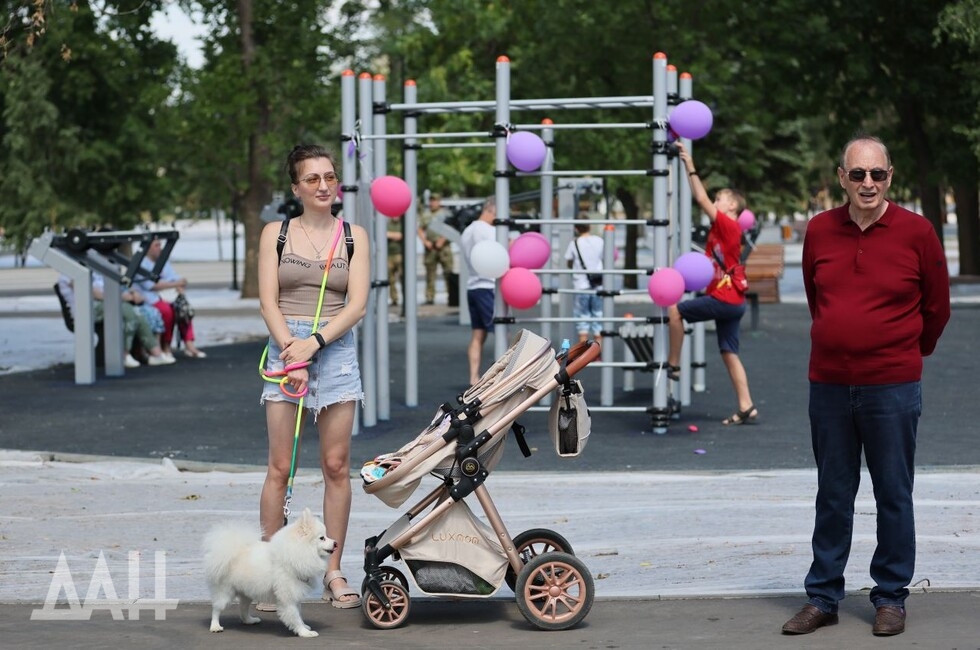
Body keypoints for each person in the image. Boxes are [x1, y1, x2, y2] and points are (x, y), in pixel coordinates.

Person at [781, 134, 951, 637]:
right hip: (829, 384)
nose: (868, 183)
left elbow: (937, 308)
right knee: (833, 493)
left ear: (890, 176)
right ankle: (823, 596)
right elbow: (818, 297)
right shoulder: (819, 230)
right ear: (842, 178)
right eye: (858, 174)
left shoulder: (918, 232)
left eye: (877, 174)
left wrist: (902, 353)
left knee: (894, 493)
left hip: (893, 385)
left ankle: (891, 596)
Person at [257, 143, 369, 610]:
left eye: (329, 177)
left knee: (336, 466)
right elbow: (268, 301)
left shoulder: (354, 236)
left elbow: (357, 305)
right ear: (296, 187)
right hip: (286, 348)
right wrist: (293, 351)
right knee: (281, 467)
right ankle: (269, 573)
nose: (324, 186)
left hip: (335, 350)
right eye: (313, 179)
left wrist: (315, 344)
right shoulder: (275, 234)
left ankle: (333, 570)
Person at [667, 142, 757, 425]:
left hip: (725, 299)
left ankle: (674, 365)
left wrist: (689, 165)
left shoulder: (729, 225)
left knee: (675, 311)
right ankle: (747, 406)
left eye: (720, 199)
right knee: (729, 353)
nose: (714, 202)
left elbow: (701, 199)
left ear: (731, 205)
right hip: (734, 301)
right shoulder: (723, 229)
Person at [57, 273, 173, 367]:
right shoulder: (69, 274)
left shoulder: (93, 270)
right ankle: (124, 354)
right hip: (85, 311)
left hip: (102, 305)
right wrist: (124, 297)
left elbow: (115, 283)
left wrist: (131, 292)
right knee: (127, 311)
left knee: (136, 312)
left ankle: (155, 352)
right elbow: (93, 293)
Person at [132, 238, 207, 359]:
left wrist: (180, 283)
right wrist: (175, 284)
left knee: (183, 309)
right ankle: (165, 345)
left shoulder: (162, 262)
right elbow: (151, 286)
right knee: (167, 311)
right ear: (148, 248)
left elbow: (173, 276)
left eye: (160, 245)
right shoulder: (141, 264)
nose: (160, 249)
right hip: (148, 298)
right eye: (156, 245)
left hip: (165, 295)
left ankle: (189, 343)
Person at [459, 196, 497, 385]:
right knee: (502, 331)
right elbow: (502, 252)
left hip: (473, 285)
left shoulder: (467, 231)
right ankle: (501, 379)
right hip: (488, 285)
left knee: (478, 335)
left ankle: (474, 377)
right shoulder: (489, 230)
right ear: (493, 210)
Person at [564, 216, 604, 344]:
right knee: (598, 317)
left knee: (582, 320)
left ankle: (583, 355)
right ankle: (599, 354)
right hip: (598, 285)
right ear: (590, 226)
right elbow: (607, 257)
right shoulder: (599, 241)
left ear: (576, 228)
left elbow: (569, 262)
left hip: (580, 285)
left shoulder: (574, 243)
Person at [418, 193, 455, 305]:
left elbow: (451, 228)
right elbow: (420, 229)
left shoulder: (445, 214)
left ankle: (452, 296)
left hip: (443, 247)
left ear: (439, 201)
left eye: (435, 200)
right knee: (430, 274)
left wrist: (442, 240)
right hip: (430, 247)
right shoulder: (426, 214)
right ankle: (430, 297)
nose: (433, 203)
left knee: (448, 272)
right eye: (431, 200)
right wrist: (425, 241)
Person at [386, 214, 403, 308]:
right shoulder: (387, 224)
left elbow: (401, 236)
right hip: (389, 256)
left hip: (400, 254)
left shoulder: (402, 224)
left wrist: (390, 235)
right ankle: (394, 299)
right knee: (391, 279)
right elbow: (382, 234)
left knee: (403, 278)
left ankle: (406, 298)